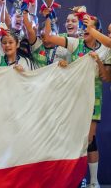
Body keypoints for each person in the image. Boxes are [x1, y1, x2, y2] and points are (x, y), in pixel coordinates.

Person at [44, 15, 111, 188]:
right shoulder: (75, 43)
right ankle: (75, 179)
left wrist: (98, 62)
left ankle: (94, 181)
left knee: (89, 140)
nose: (84, 30)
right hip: (71, 96)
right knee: (70, 139)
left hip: (93, 96)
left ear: (98, 31)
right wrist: (49, 17)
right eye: (84, 27)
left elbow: (106, 77)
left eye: (88, 27)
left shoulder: (105, 49)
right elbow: (49, 38)